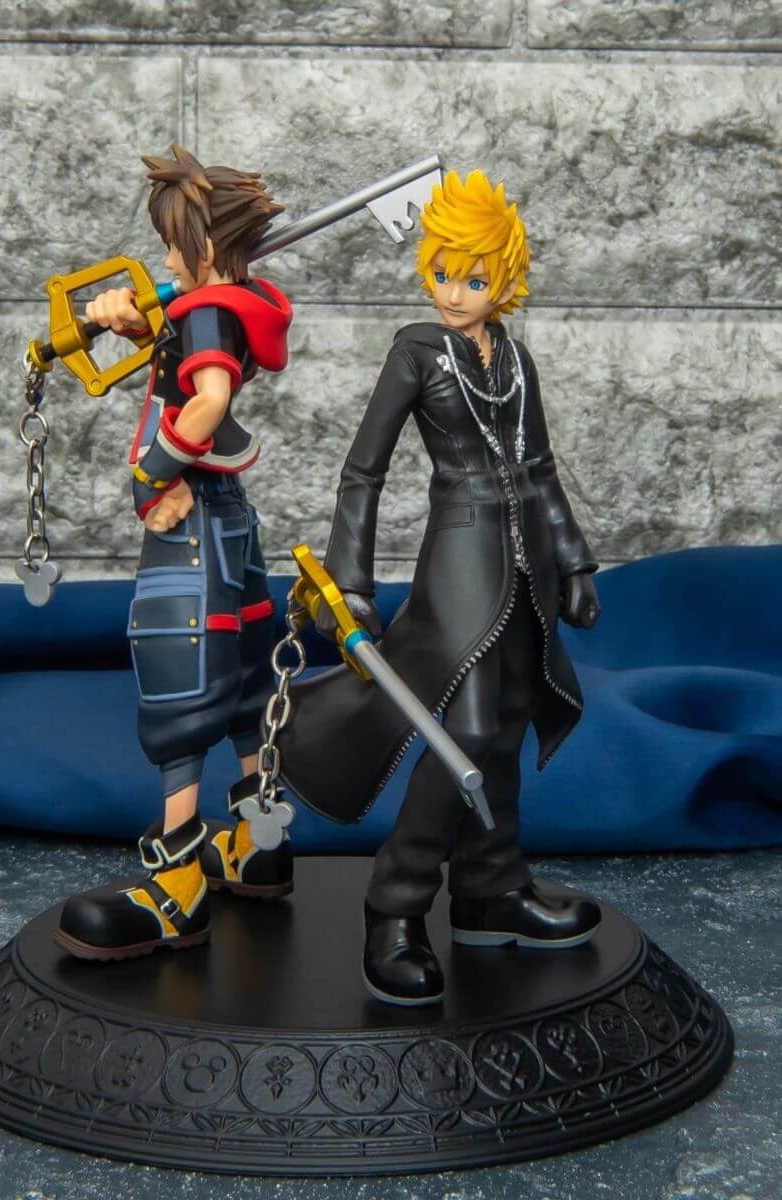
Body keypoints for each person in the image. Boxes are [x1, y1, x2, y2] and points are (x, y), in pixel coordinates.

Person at [274, 168, 602, 1004]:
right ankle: (394, 904)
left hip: (526, 563)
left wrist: (574, 561)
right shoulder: (418, 351)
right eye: (443, 272)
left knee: (511, 718)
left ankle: (491, 889)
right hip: (459, 560)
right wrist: (349, 582)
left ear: (505, 278)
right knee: (470, 726)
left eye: (474, 278)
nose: (454, 292)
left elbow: (541, 468)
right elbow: (363, 470)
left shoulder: (517, 360)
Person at [55, 146, 294, 961]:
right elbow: (193, 347)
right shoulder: (229, 304)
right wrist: (133, 321)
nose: (163, 262)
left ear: (204, 246)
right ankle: (257, 846)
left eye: (172, 247)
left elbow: (210, 397)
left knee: (179, 683)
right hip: (232, 518)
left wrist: (149, 476)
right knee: (247, 677)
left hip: (190, 518)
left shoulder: (205, 313)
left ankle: (179, 886)